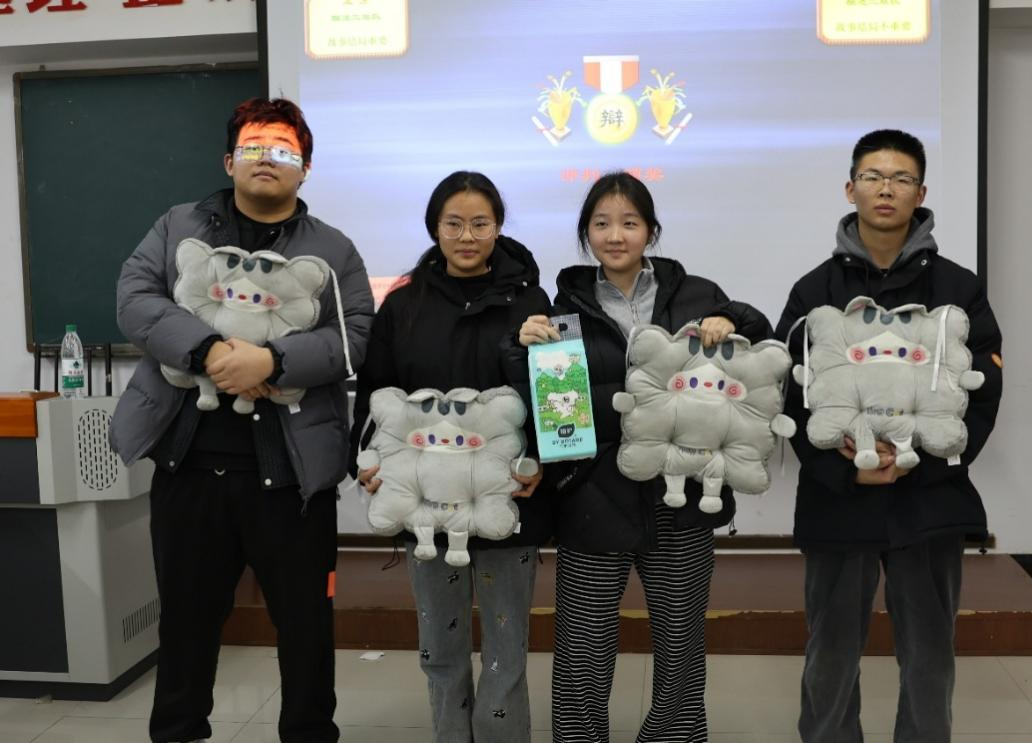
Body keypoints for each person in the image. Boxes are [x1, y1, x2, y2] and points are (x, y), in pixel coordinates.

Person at [109, 97, 375, 743]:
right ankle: (178, 732)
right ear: (229, 160)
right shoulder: (177, 226)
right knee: (186, 623)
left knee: (306, 626)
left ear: (305, 168)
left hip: (292, 476)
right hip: (189, 464)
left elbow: (357, 335)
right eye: (253, 146)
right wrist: (209, 351)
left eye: (283, 150)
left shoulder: (333, 249)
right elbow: (134, 299)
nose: (267, 159)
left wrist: (272, 360)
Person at [516, 171, 772, 742]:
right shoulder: (561, 312)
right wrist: (524, 344)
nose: (616, 235)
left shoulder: (697, 295)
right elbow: (552, 409)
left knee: (681, 640)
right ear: (586, 233)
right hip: (592, 494)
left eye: (629, 223)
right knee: (582, 645)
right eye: (602, 223)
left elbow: (758, 340)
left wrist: (734, 320)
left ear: (650, 231)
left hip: (680, 495)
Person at [774, 129, 1003, 743]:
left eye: (901, 179)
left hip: (928, 499)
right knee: (830, 652)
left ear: (920, 194)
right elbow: (790, 392)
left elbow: (981, 392)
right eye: (873, 176)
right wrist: (840, 469)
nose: (885, 189)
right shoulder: (814, 290)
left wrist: (918, 463)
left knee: (929, 654)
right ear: (850, 188)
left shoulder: (957, 289)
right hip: (838, 499)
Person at [349, 171, 551, 743]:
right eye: (454, 224)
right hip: (427, 507)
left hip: (507, 500)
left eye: (480, 224)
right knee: (440, 645)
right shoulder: (404, 305)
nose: (467, 236)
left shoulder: (532, 303)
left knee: (506, 646)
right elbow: (376, 395)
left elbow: (554, 396)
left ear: (498, 228)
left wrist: (543, 463)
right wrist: (365, 462)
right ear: (434, 228)